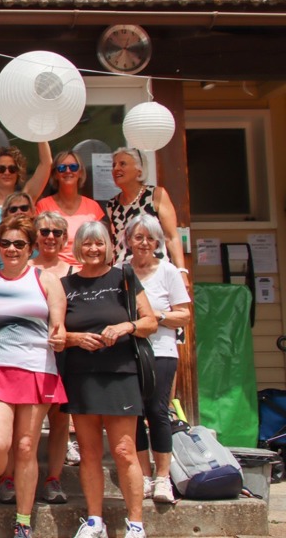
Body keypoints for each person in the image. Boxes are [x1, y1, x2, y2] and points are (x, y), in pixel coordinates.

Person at [0, 216, 67, 538]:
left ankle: (23, 521)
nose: (11, 249)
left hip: (37, 369)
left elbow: (58, 331)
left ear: (31, 247)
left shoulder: (46, 280)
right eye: (5, 243)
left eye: (19, 243)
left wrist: (60, 336)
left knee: (24, 448)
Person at [61, 221, 157, 538]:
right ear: (78, 247)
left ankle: (136, 523)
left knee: (124, 451)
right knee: (88, 453)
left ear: (108, 246)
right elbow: (56, 333)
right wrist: (75, 338)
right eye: (87, 244)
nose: (93, 249)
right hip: (81, 375)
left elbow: (150, 321)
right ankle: (94, 521)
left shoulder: (123, 277)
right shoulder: (65, 284)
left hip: (120, 374)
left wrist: (125, 327)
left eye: (99, 243)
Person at [125, 214, 191, 504]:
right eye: (138, 237)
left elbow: (185, 316)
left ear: (157, 242)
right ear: (128, 240)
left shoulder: (169, 272)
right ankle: (144, 475)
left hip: (162, 351)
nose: (143, 243)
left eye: (150, 238)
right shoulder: (120, 270)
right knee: (133, 414)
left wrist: (156, 316)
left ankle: (163, 477)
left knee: (157, 411)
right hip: (127, 352)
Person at [28, 210, 79, 503]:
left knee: (60, 421)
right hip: (29, 354)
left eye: (56, 233)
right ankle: (18, 477)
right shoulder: (23, 266)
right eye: (44, 231)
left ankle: (53, 479)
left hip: (65, 354)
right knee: (28, 424)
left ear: (64, 239)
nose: (49, 237)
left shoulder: (75, 272)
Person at [0, 144, 52, 274]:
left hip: (28, 260)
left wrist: (40, 131)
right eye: (1, 169)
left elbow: (46, 164)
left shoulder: (26, 196)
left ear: (18, 172)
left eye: (12, 169)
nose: (6, 173)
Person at [106, 147, 186, 273]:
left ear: (139, 170)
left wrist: (181, 270)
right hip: (125, 274)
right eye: (114, 165)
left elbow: (171, 237)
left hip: (155, 272)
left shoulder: (156, 195)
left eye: (122, 164)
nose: (116, 169)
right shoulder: (112, 204)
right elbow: (114, 245)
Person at [35, 150, 107, 266]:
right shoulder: (43, 206)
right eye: (62, 168)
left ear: (80, 173)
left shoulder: (93, 207)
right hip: (54, 271)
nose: (68, 171)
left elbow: (103, 244)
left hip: (87, 272)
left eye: (73, 167)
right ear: (55, 174)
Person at [0, 191, 37, 274]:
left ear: (32, 212)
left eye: (24, 208)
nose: (19, 212)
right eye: (13, 209)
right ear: (5, 215)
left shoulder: (41, 241)